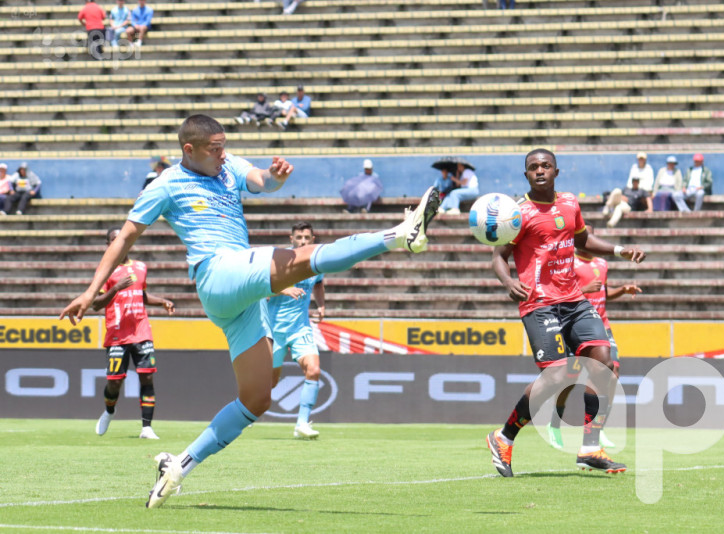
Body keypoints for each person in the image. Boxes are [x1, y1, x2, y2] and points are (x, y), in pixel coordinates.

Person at [59, 114, 440, 509]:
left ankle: (178, 465)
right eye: (215, 148)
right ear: (189, 150)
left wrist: (276, 177)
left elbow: (261, 181)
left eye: (224, 145)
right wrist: (90, 291)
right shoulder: (166, 184)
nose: (223, 154)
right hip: (216, 273)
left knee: (257, 399)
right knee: (304, 258)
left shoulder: (228, 166)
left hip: (239, 295)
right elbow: (124, 238)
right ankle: (398, 234)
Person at [485, 148, 645, 477]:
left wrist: (618, 250)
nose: (539, 171)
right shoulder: (518, 214)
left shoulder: (570, 203)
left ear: (557, 171)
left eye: (545, 166)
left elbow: (583, 239)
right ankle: (503, 437)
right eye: (533, 167)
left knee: (605, 361)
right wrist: (507, 281)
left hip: (574, 299)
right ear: (526, 175)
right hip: (539, 303)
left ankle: (590, 447)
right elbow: (498, 256)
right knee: (558, 376)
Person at [545, 226, 642, 450]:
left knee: (612, 372)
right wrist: (585, 288)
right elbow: (558, 296)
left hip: (601, 326)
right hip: (576, 326)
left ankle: (598, 429)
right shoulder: (567, 263)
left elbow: (604, 293)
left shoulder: (602, 263)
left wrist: (623, 290)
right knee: (568, 378)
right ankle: (555, 423)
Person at [92, 227, 176, 440]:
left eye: (121, 238)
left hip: (141, 330)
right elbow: (95, 304)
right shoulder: (104, 270)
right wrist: (115, 288)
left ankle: (146, 427)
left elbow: (141, 294)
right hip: (117, 334)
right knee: (114, 382)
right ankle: (109, 411)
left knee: (147, 377)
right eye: (113, 240)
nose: (118, 242)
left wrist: (162, 302)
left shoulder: (140, 267)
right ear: (107, 245)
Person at [264, 222, 326, 439]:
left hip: (300, 328)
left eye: (306, 238)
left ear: (313, 240)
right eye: (298, 237)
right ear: (291, 239)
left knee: (314, 370)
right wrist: (284, 289)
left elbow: (318, 283)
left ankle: (302, 423)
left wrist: (320, 305)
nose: (302, 241)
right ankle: (245, 413)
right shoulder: (279, 261)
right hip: (274, 330)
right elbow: (262, 284)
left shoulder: (315, 264)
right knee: (269, 382)